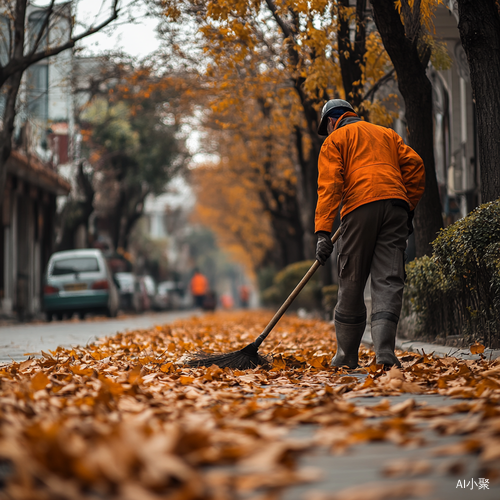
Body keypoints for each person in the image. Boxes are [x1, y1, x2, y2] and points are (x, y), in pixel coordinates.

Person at [315, 99, 425, 369]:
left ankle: (346, 355)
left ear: (331, 121)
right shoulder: (386, 134)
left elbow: (330, 186)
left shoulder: (335, 139)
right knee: (388, 278)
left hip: (359, 206)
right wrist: (406, 205)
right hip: (396, 205)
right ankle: (385, 351)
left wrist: (322, 231)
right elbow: (415, 167)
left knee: (351, 277)